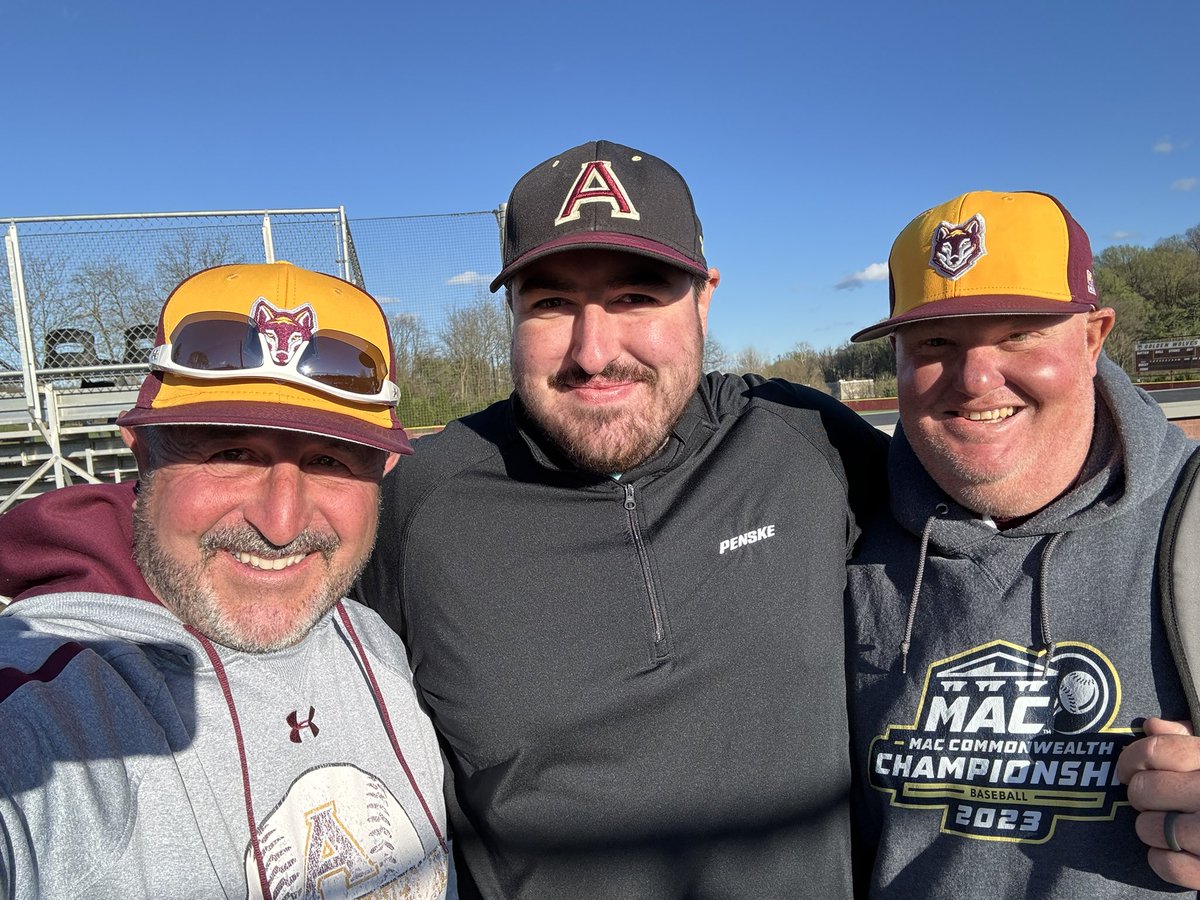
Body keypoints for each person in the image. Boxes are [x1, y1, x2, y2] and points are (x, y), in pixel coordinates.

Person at [355, 139, 889, 898]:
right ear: (511, 313)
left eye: (637, 297)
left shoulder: (805, 444)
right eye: (551, 303)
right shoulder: (423, 504)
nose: (593, 350)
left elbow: (995, 526)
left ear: (705, 297)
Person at [0, 262, 452, 899]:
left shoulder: (376, 639)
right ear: (141, 453)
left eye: (330, 460)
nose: (280, 523)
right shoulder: (57, 695)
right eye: (231, 454)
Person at [846, 190, 1198, 896]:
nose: (975, 380)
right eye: (935, 343)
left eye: (1018, 335)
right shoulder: (844, 525)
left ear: (1094, 336)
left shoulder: (1191, 525)